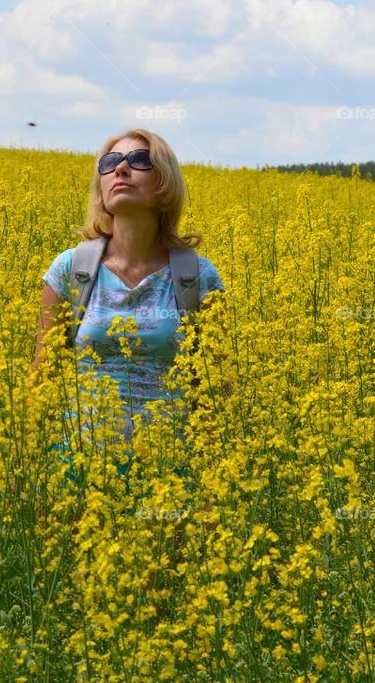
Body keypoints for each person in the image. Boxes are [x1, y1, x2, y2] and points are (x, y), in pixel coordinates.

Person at [29, 128, 227, 486]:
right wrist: (26, 468)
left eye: (138, 161)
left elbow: (214, 390)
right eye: (110, 163)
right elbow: (44, 379)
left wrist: (214, 485)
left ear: (165, 183)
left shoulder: (197, 277)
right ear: (101, 187)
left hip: (171, 479)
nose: (120, 169)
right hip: (79, 473)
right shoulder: (70, 270)